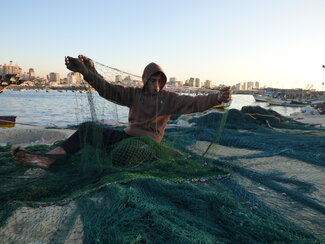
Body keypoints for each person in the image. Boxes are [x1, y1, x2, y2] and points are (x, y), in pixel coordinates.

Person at [13, 55, 231, 168]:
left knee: (123, 156)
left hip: (146, 145)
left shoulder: (170, 99)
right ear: (145, 80)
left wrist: (217, 98)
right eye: (152, 80)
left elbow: (195, 103)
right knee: (88, 130)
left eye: (159, 80)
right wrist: (87, 72)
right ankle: (48, 159)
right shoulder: (133, 94)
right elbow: (107, 89)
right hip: (125, 137)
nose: (156, 84)